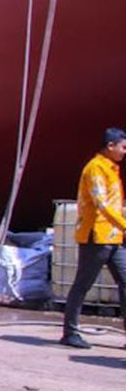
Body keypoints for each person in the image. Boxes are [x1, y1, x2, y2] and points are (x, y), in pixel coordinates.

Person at [60, 126, 126, 348]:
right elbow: (102, 204)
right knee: (83, 285)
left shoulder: (111, 169)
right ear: (110, 146)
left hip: (114, 238)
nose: (124, 152)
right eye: (123, 147)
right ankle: (70, 332)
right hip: (95, 237)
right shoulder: (95, 169)